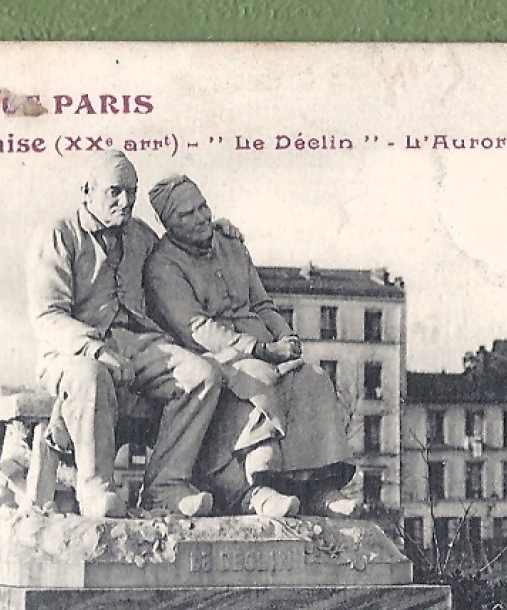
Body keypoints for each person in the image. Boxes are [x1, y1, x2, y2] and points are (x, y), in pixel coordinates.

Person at [142, 174, 356, 518]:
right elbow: (196, 328)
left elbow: (262, 303)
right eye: (187, 215)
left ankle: (319, 488)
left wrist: (286, 338)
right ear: (168, 223)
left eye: (203, 207)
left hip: (265, 346)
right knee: (261, 380)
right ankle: (257, 489)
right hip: (216, 355)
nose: (200, 218)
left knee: (312, 378)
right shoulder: (162, 266)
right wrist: (261, 350)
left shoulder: (231, 244)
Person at [27, 152, 223, 518]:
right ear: (87, 191)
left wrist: (219, 233)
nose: (126, 201)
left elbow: (188, 251)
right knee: (90, 376)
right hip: (70, 352)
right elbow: (47, 314)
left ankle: (165, 486)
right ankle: (96, 488)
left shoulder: (142, 237)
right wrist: (96, 349)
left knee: (203, 376)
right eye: (115, 192)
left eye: (131, 192)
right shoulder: (60, 234)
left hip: (140, 345)